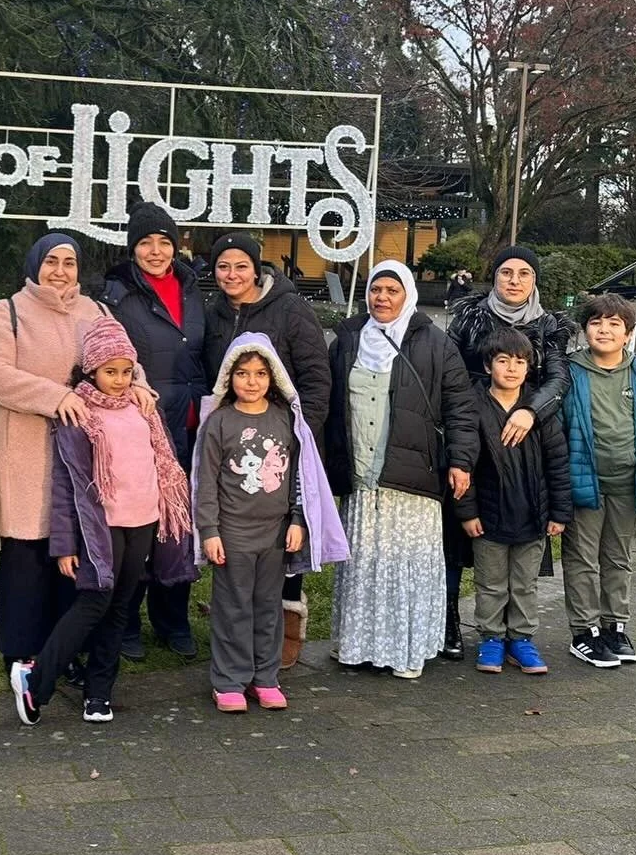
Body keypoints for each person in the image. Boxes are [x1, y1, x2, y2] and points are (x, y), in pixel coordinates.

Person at [0, 233, 159, 667]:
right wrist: (55, 397)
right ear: (35, 264)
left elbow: (122, 359)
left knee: (73, 558)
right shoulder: (9, 312)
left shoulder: (96, 311)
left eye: (69, 262)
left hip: (88, 454)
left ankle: (65, 653)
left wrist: (141, 387)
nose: (60, 271)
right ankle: (21, 654)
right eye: (51, 261)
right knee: (27, 559)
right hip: (27, 450)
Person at [9, 319, 192, 726]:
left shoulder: (143, 406)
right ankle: (36, 678)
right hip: (100, 529)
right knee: (94, 602)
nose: (120, 379)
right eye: (110, 371)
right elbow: (65, 484)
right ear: (91, 369)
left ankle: (99, 693)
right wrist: (65, 544)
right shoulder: (77, 413)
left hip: (143, 521)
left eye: (127, 371)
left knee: (121, 607)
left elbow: (161, 463)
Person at [324, 260, 477, 679]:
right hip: (360, 474)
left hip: (411, 476)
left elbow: (461, 408)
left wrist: (461, 461)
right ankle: (359, 647)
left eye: (392, 291)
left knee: (404, 566)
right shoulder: (348, 339)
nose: (382, 298)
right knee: (363, 565)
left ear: (407, 294)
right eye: (376, 290)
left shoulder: (435, 343)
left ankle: (406, 651)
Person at [200, 232, 333, 669]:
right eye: (223, 266)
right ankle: (240, 653)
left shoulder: (290, 309)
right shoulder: (215, 313)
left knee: (284, 547)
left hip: (284, 438)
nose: (231, 274)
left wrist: (300, 437)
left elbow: (316, 375)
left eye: (240, 266)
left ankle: (284, 635)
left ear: (256, 269)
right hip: (236, 437)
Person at [196, 333, 347, 713]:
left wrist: (299, 520)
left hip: (276, 534)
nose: (252, 381)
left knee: (268, 606)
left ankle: (265, 677)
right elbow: (205, 482)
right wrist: (210, 531)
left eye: (261, 373)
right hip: (232, 534)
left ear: (273, 376)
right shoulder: (218, 423)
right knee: (232, 607)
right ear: (229, 376)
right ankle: (229, 680)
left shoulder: (286, 421)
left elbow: (301, 476)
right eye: (243, 373)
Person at [442, 245, 574, 659]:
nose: (515, 280)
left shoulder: (549, 326)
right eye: (506, 273)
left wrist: (530, 412)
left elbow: (559, 378)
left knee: (520, 569)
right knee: (464, 542)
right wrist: (468, 416)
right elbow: (450, 369)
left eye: (524, 274)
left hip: (530, 434)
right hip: (472, 430)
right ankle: (454, 625)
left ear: (535, 281)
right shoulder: (470, 317)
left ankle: (518, 636)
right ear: (494, 277)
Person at [100, 201, 206, 661]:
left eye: (164, 241)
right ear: (132, 247)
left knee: (179, 529)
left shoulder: (194, 289)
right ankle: (124, 623)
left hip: (191, 423)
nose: (156, 251)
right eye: (145, 242)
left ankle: (173, 618)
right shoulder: (117, 294)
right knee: (137, 527)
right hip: (142, 427)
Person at [561, 293, 636, 669]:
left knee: (618, 558)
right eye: (596, 322)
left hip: (630, 484)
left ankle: (614, 627)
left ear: (628, 333)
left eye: (614, 324)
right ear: (585, 330)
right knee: (581, 559)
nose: (605, 330)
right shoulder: (568, 372)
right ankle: (584, 633)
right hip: (584, 481)